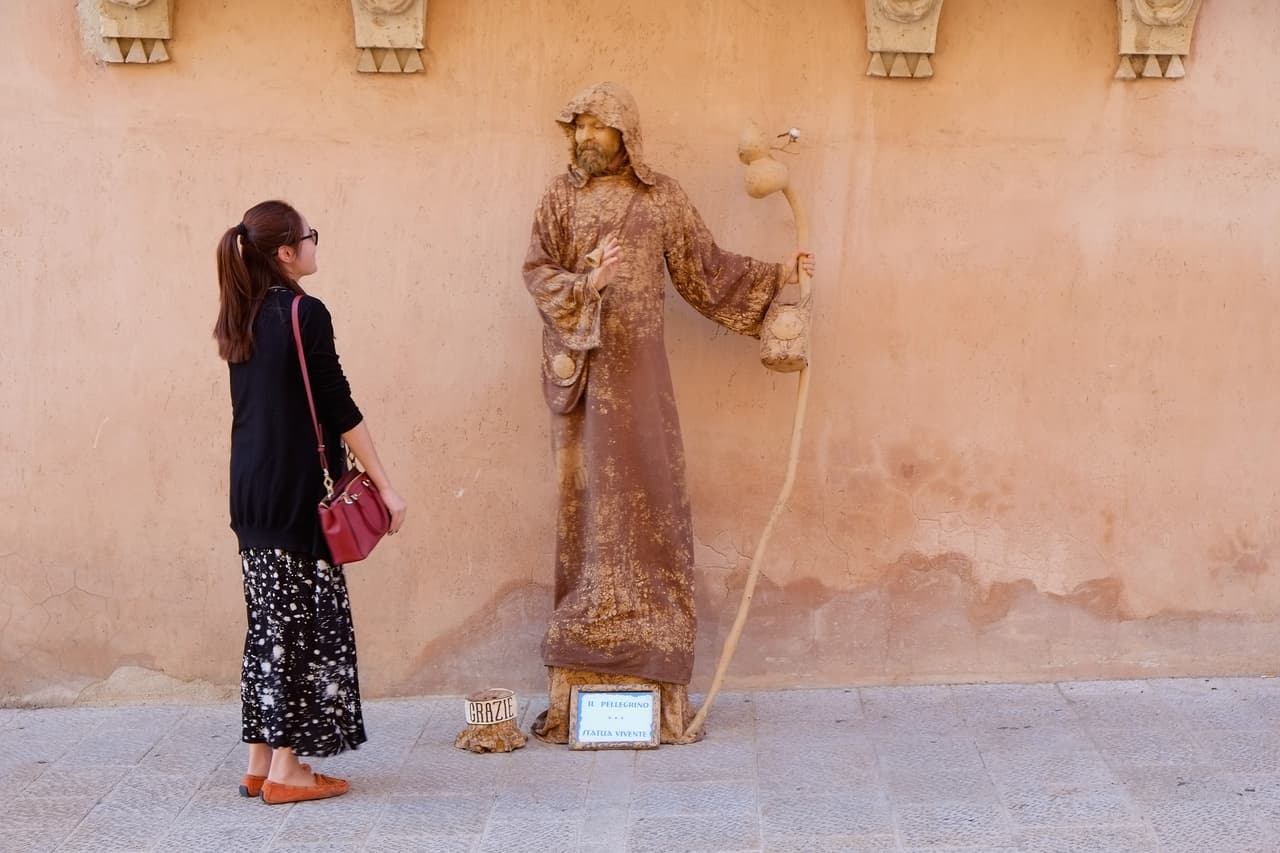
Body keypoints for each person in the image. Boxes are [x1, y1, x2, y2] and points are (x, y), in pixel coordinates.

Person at [522, 82, 814, 744]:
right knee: (587, 506)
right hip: (583, 380)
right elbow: (538, 274)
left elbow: (706, 272)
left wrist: (780, 277)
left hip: (642, 380)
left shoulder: (662, 199)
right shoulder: (560, 198)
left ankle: (653, 638)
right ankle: (587, 637)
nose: (584, 137)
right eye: (578, 126)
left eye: (597, 125)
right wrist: (588, 285)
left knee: (651, 496)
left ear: (625, 132)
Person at [213, 200, 407, 803]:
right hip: (296, 489)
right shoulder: (305, 312)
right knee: (299, 627)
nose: (314, 244)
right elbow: (338, 406)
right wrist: (385, 485)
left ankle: (259, 761)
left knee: (267, 625)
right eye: (309, 236)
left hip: (250, 489)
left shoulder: (240, 314)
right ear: (285, 252)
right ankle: (287, 772)